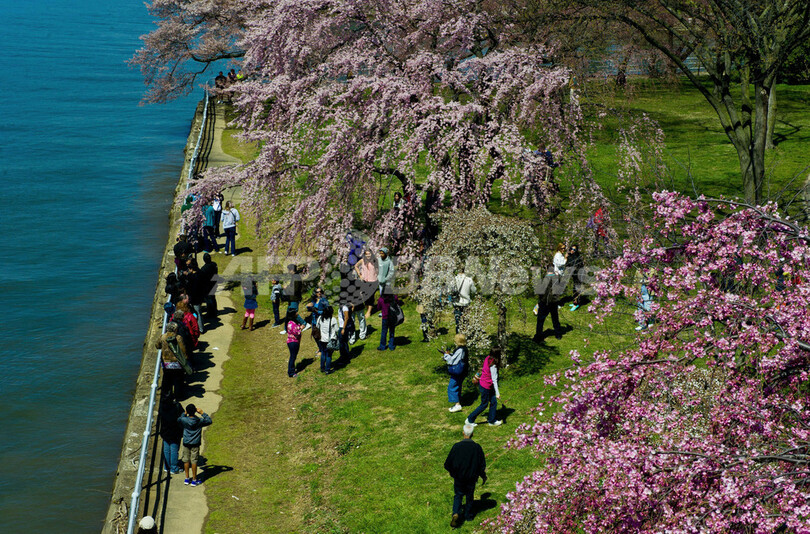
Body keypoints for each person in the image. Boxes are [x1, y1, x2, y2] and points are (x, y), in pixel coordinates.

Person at [444, 423, 487, 528]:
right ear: (472, 434)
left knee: (458, 495)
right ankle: (468, 515)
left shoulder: (456, 446)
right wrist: (482, 475)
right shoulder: (476, 447)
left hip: (459, 477)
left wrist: (453, 473)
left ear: (463, 433)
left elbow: (447, 464)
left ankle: (456, 513)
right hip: (471, 478)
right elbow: (482, 464)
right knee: (469, 496)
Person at [465, 348, 502, 427]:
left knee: (493, 402)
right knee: (484, 404)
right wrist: (497, 393)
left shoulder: (487, 358)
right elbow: (494, 380)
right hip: (486, 386)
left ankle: (491, 420)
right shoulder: (493, 365)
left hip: (485, 384)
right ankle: (470, 419)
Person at [178, 403, 212, 486]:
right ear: (195, 411)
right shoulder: (200, 421)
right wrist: (202, 413)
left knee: (186, 460)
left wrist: (184, 413)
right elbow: (209, 421)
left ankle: (187, 478)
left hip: (186, 443)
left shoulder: (184, 420)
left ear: (187, 411)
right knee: (194, 461)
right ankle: (194, 479)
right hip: (195, 443)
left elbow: (179, 419)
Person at [155, 322, 190, 400]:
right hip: (177, 363)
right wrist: (185, 360)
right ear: (175, 329)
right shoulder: (178, 338)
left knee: (167, 381)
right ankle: (178, 396)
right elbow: (183, 350)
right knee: (178, 380)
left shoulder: (163, 337)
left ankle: (168, 397)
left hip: (166, 363)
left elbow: (157, 346)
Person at [353, 249, 378, 337]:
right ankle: (367, 308)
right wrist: (359, 274)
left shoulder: (375, 261)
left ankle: (369, 311)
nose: (368, 255)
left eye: (369, 254)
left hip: (373, 281)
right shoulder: (362, 260)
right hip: (364, 281)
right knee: (364, 295)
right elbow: (356, 266)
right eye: (366, 254)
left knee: (370, 296)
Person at [533, 270, 563, 342]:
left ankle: (538, 336)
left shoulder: (544, 279)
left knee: (540, 320)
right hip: (553, 302)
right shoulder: (556, 279)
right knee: (555, 318)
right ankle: (558, 334)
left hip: (544, 302)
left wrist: (540, 300)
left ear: (547, 270)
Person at [159, 393, 184, 475]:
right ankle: (174, 468)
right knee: (174, 450)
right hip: (175, 431)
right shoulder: (177, 406)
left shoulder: (162, 406)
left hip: (165, 431)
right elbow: (183, 415)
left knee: (166, 450)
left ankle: (166, 467)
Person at [444, 334, 469, 413]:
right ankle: (459, 400)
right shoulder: (464, 349)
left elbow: (452, 361)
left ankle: (457, 405)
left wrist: (446, 356)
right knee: (458, 385)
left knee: (452, 387)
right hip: (463, 371)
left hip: (458, 371)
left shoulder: (460, 350)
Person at [315, 305, 339, 374]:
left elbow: (317, 326)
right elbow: (336, 329)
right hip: (329, 340)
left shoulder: (320, 318)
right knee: (329, 355)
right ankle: (327, 369)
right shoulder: (333, 319)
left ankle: (322, 367)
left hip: (321, 339)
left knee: (323, 353)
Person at [452, 267, 476, 334]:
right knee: (466, 321)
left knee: (458, 322)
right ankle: (465, 335)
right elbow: (474, 291)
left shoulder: (454, 280)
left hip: (457, 302)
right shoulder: (469, 280)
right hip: (466, 303)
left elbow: (450, 290)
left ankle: (459, 337)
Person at [199, 253, 219, 322]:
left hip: (207, 286)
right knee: (213, 298)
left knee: (209, 300)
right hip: (214, 283)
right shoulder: (214, 264)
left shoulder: (204, 268)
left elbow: (202, 278)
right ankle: (214, 311)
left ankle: (210, 313)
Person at [284, 308, 303, 377]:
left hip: (293, 342)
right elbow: (297, 332)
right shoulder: (291, 324)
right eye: (296, 312)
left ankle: (292, 369)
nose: (297, 313)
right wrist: (301, 328)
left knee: (293, 356)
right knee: (292, 357)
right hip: (293, 342)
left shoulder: (291, 322)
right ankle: (291, 372)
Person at [565, 244, 584, 311]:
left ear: (576, 251)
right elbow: (567, 265)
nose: (572, 250)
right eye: (571, 249)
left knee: (577, 289)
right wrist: (566, 258)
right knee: (574, 289)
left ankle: (576, 304)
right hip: (574, 275)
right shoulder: (570, 256)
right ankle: (575, 302)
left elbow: (575, 266)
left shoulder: (577, 257)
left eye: (574, 249)